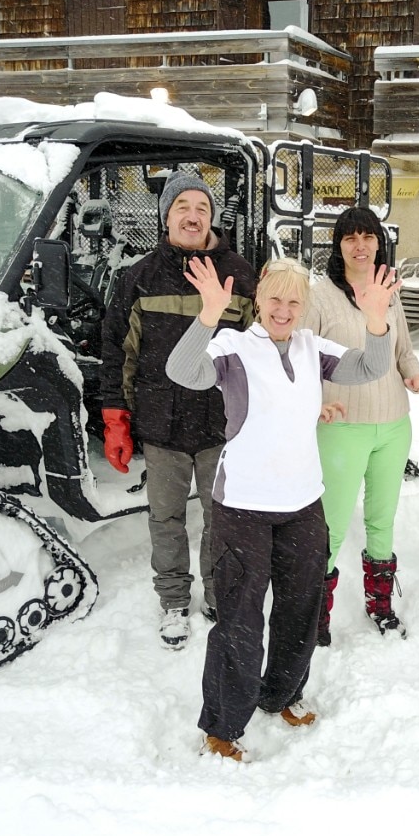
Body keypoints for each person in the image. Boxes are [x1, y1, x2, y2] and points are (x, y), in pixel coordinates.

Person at [166, 254, 399, 762]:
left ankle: (282, 694)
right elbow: (182, 371)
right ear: (258, 299)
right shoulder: (233, 346)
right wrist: (208, 313)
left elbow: (372, 367)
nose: (284, 309)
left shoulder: (312, 348)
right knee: (239, 620)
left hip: (302, 504)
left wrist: (377, 322)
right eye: (275, 298)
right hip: (242, 507)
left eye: (295, 301)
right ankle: (224, 726)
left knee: (301, 610)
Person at [100, 170, 257, 650]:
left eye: (201, 208)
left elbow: (259, 350)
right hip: (161, 423)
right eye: (182, 207)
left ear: (212, 216)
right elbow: (117, 352)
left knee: (222, 519)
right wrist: (115, 418)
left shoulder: (240, 275)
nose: (193, 216)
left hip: (221, 425)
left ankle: (217, 594)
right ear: (166, 216)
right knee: (165, 519)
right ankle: (172, 599)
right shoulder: (140, 278)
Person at [304, 208, 419, 645]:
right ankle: (314, 611)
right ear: (337, 246)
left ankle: (380, 603)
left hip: (394, 424)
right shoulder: (320, 296)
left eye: (368, 237)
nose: (360, 245)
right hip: (343, 426)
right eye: (349, 238)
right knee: (333, 523)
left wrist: (413, 373)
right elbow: (305, 360)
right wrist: (318, 403)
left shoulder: (388, 290)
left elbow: (401, 349)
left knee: (382, 519)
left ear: (379, 242)